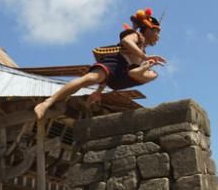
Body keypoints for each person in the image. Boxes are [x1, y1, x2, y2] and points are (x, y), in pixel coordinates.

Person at [33, 8, 166, 121]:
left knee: (153, 74)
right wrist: (144, 56)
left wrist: (98, 92)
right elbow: (126, 42)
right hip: (116, 63)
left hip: (123, 76)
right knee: (88, 79)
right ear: (148, 29)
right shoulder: (135, 35)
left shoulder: (143, 51)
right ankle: (47, 103)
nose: (159, 37)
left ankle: (136, 71)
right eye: (157, 32)